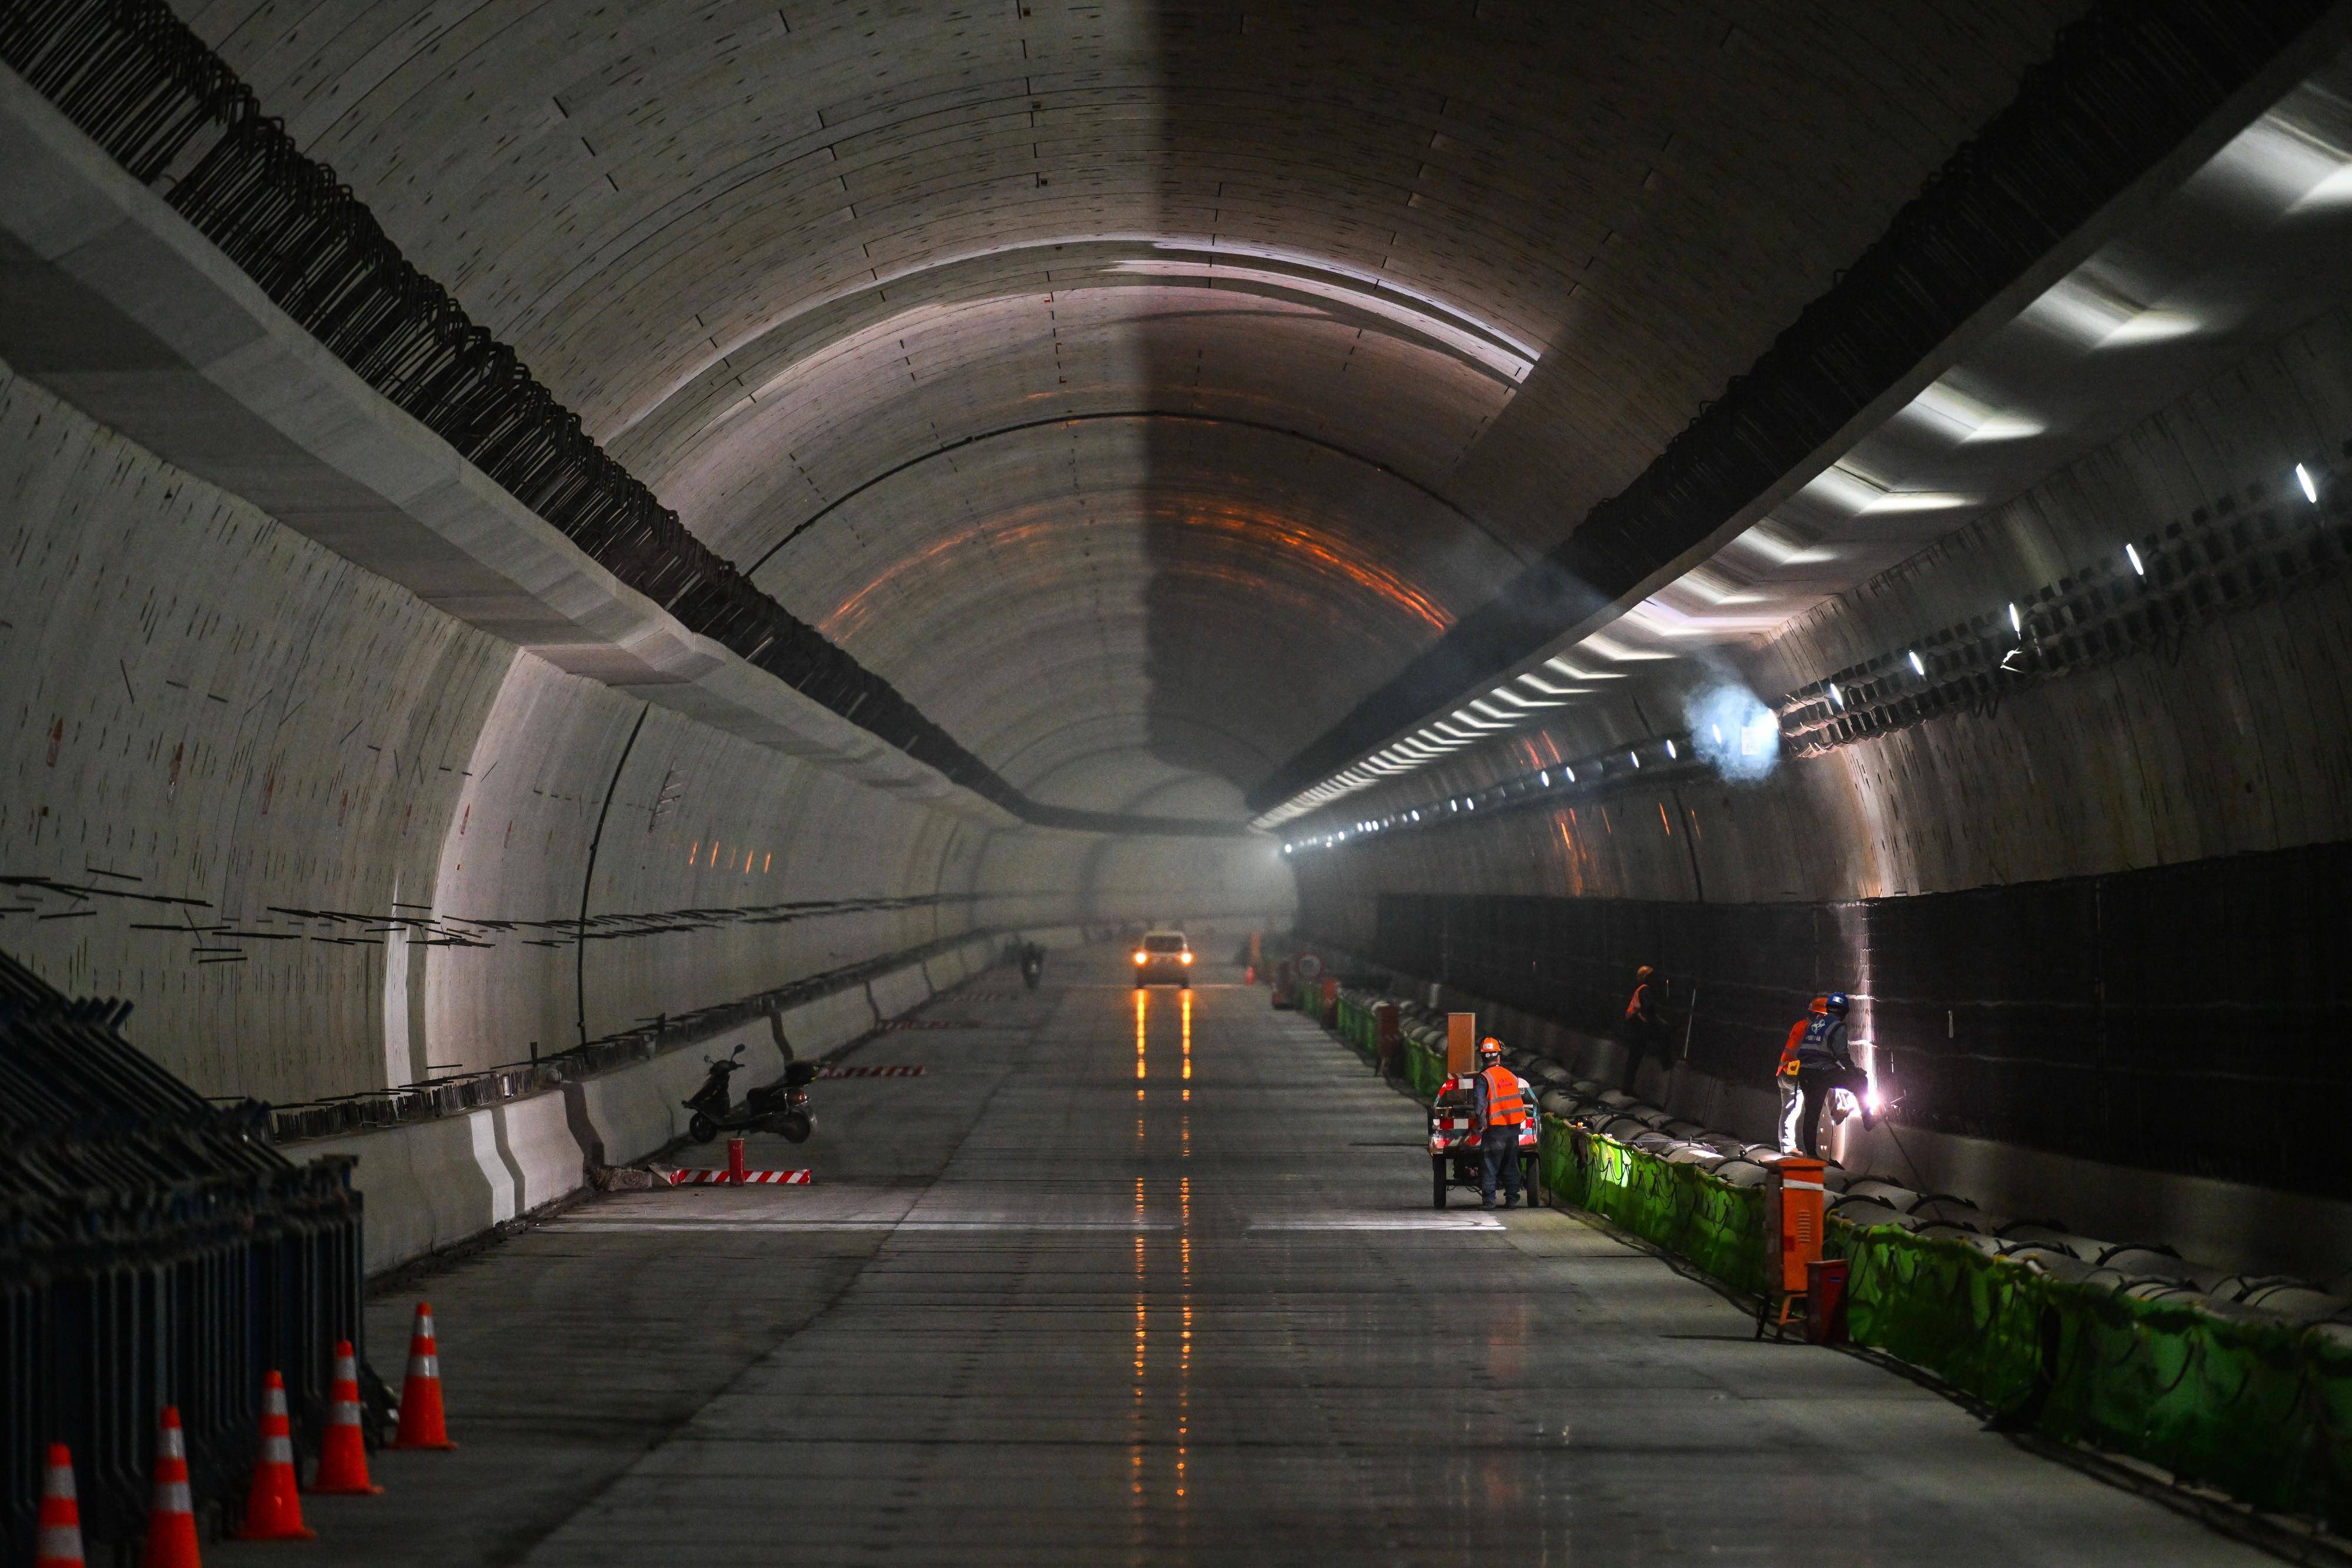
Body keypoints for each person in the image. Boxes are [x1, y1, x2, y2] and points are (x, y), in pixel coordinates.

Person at [1792, 992, 1872, 1159]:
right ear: (1844, 1012)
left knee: (1812, 1112)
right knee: (1860, 1081)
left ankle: (1811, 1154)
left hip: (1806, 1073)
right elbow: (1842, 1053)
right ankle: (1868, 1118)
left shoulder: (1816, 1023)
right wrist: (1853, 1070)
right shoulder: (1838, 1026)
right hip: (1823, 1072)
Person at [1471, 1036, 1531, 1209]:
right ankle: (1512, 1199)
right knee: (1510, 1162)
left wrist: (1481, 1122)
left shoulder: (1484, 1078)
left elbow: (1479, 1101)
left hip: (1496, 1128)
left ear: (1483, 1057)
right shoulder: (1510, 1075)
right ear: (1499, 1056)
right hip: (1514, 1127)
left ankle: (1490, 1201)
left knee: (1490, 1163)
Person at [1776, 996, 1826, 1152]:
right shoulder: (1813, 1030)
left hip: (1784, 1072)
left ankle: (1787, 1146)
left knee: (1789, 1110)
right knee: (1793, 1110)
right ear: (1819, 1016)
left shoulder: (1800, 1025)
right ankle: (1839, 1109)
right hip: (1795, 1075)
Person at [1618, 964, 1666, 1096]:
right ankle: (1627, 1088)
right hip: (1636, 1027)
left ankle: (1627, 1086)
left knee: (1633, 1058)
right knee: (1635, 1058)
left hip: (1633, 1026)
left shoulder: (1639, 990)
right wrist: (1659, 1024)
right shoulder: (1645, 990)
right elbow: (1649, 1009)